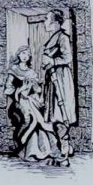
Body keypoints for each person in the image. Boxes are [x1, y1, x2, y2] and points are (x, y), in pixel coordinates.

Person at [36, 18, 78, 159]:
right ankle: (61, 146)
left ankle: (65, 146)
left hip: (61, 78)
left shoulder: (62, 37)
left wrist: (52, 61)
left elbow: (68, 58)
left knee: (61, 112)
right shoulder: (53, 38)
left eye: (47, 19)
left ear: (55, 22)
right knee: (53, 114)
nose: (45, 22)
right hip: (52, 78)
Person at [7, 47, 58, 162]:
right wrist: (20, 90)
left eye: (27, 54)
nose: (25, 56)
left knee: (37, 119)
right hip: (18, 102)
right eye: (22, 53)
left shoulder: (31, 72)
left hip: (30, 101)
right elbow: (8, 88)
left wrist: (38, 86)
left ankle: (35, 149)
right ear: (18, 55)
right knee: (28, 118)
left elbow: (37, 90)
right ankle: (21, 143)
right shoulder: (14, 69)